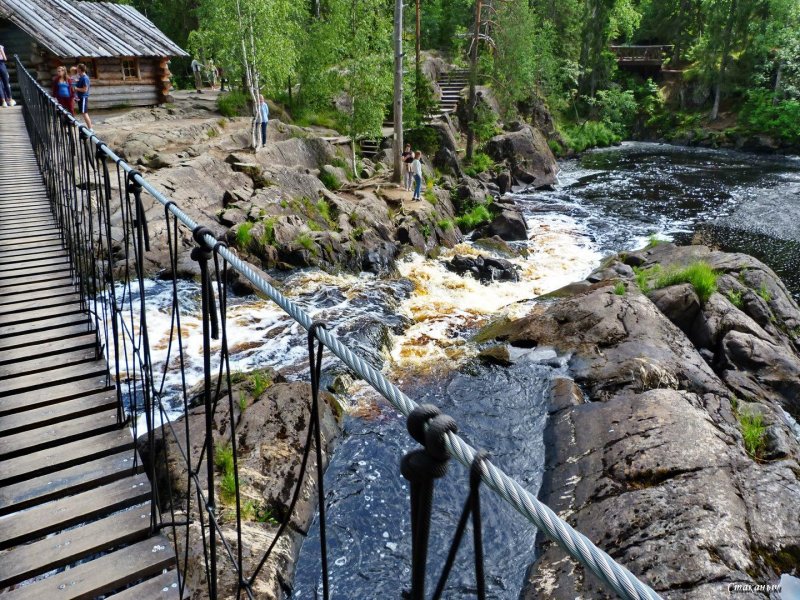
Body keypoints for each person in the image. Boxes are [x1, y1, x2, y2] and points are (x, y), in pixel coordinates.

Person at [73, 63, 92, 130]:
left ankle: (90, 129)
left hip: (83, 97)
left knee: (84, 113)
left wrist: (76, 88)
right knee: (83, 112)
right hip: (80, 97)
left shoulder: (85, 78)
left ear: (80, 69)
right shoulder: (81, 77)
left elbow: (85, 89)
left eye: (77, 68)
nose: (76, 69)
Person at [0, 43, 16, 107]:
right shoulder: (0, 47)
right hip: (1, 65)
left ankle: (4, 102)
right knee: (6, 83)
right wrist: (1, 50)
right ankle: (10, 100)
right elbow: (5, 58)